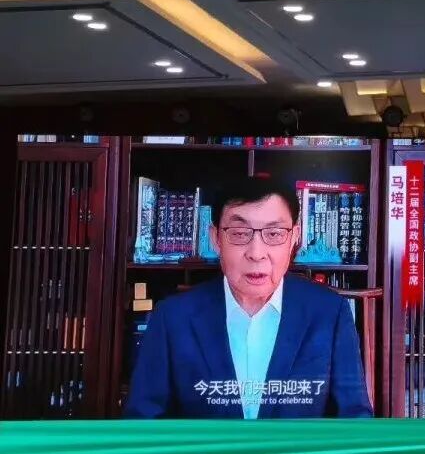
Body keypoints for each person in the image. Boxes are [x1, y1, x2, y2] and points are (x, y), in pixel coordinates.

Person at [124, 177, 373, 419]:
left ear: (294, 238)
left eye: (274, 234)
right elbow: (143, 424)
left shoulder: (330, 313)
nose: (256, 253)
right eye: (240, 233)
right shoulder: (172, 318)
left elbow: (354, 420)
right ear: (216, 239)